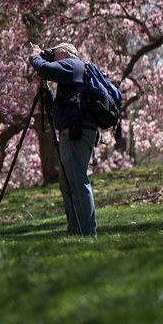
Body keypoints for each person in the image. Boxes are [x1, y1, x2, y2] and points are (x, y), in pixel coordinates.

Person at [28, 42, 99, 237]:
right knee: (68, 185)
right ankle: (75, 232)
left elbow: (44, 68)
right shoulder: (70, 78)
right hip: (71, 132)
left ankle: (86, 234)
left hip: (76, 132)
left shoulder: (73, 65)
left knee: (76, 182)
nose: (52, 58)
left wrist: (35, 55)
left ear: (66, 53)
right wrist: (45, 88)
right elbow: (56, 111)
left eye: (55, 54)